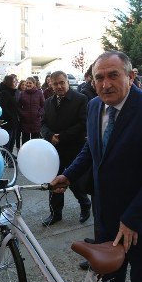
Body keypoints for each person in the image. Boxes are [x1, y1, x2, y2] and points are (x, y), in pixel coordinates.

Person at [50, 50, 142, 282]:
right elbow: (92, 148)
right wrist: (68, 175)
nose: (105, 84)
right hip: (106, 215)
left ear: (130, 76)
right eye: (99, 77)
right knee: (109, 281)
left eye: (113, 75)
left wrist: (133, 219)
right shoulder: (95, 106)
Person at [41, 71, 91, 226]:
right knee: (54, 182)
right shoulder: (48, 101)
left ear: (67, 82)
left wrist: (61, 136)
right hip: (54, 150)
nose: (59, 86)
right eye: (55, 84)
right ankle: (55, 213)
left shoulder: (80, 99)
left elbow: (83, 124)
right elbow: (43, 123)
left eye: (62, 82)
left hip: (74, 149)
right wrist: (49, 135)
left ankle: (85, 205)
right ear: (50, 84)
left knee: (75, 183)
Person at [0, 74, 19, 153]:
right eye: (14, 81)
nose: (16, 83)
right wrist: (12, 118)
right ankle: (5, 160)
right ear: (9, 82)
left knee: (11, 144)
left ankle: (9, 158)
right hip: (7, 123)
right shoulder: (4, 93)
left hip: (12, 122)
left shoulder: (10, 92)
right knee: (6, 144)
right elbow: (3, 109)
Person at [18, 76, 45, 143]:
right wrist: (22, 114)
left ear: (34, 84)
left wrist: (39, 113)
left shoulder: (39, 93)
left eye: (30, 83)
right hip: (25, 121)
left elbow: (44, 106)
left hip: (36, 121)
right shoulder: (22, 93)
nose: (28, 84)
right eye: (27, 83)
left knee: (35, 141)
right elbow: (18, 106)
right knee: (25, 141)